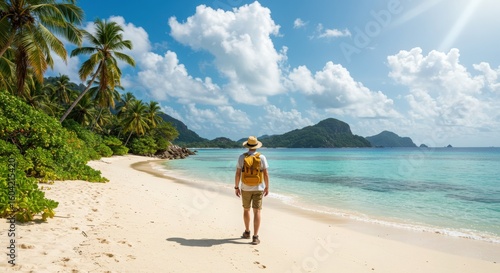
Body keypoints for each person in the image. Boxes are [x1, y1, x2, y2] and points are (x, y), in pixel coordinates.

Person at [234, 136, 269, 245]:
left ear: (247, 146)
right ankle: (255, 237)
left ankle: (247, 232)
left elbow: (238, 173)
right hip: (259, 188)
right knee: (257, 211)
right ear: (256, 146)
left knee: (246, 210)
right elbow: (265, 174)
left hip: (245, 187)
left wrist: (236, 187)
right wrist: (267, 187)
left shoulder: (241, 157)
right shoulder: (262, 157)